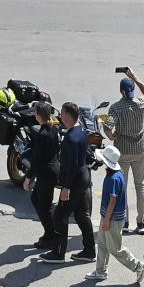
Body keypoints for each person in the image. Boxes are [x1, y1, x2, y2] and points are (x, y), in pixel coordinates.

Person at [46, 102, 96, 262]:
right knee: (82, 215)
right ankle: (89, 251)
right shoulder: (81, 130)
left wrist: (66, 187)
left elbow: (72, 166)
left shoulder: (70, 139)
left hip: (74, 181)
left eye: (62, 113)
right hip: (84, 176)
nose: (60, 116)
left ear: (68, 116)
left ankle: (58, 253)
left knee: (60, 215)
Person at [87, 144, 144, 281]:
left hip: (112, 218)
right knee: (102, 244)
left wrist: (106, 220)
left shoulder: (113, 178)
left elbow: (113, 200)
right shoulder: (117, 174)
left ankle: (137, 266)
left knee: (115, 248)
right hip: (108, 216)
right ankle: (100, 270)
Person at [108, 71, 144, 221]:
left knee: (123, 186)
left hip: (123, 152)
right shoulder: (141, 103)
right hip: (139, 150)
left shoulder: (116, 108)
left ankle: (124, 220)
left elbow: (107, 126)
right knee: (140, 185)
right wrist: (135, 77)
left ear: (121, 91)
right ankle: (141, 221)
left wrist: (111, 136)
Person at [23, 100, 62, 242]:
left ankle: (51, 235)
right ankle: (50, 232)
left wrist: (28, 178)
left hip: (46, 173)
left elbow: (37, 159)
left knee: (45, 206)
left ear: (38, 115)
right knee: (36, 199)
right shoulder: (53, 128)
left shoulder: (42, 134)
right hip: (52, 169)